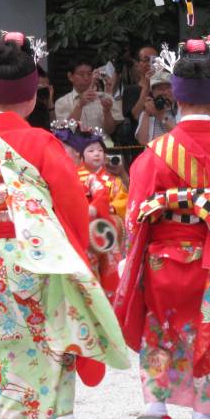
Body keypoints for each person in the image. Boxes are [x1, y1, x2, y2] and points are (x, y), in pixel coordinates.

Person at [0, 32, 128, 419]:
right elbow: (70, 204)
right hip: (39, 255)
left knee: (8, 340)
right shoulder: (40, 142)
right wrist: (80, 250)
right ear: (32, 96)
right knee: (58, 333)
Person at [115, 39, 210, 419]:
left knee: (161, 330)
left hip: (163, 258)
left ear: (175, 95)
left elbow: (135, 215)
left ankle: (156, 405)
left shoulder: (154, 154)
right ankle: (201, 418)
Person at [52, 122, 127, 300]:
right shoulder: (54, 177)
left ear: (76, 152)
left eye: (64, 148)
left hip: (93, 231)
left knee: (96, 278)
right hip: (67, 232)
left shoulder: (91, 178)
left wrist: (95, 208)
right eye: (91, 150)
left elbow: (102, 194)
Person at [54, 59, 121, 135]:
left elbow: (110, 131)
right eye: (81, 74)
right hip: (75, 146)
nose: (86, 78)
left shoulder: (105, 97)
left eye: (89, 74)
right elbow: (65, 131)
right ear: (70, 76)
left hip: (102, 144)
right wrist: (80, 105)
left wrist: (107, 112)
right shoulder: (62, 102)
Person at [134, 71, 177, 145]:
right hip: (154, 154)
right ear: (153, 93)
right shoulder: (149, 110)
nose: (165, 92)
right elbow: (142, 141)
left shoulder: (182, 110)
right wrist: (146, 113)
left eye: (167, 88)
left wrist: (161, 116)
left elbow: (181, 136)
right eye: (160, 89)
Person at [27, 65, 53, 130]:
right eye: (39, 88)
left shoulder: (44, 108)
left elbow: (53, 127)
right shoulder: (25, 108)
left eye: (45, 89)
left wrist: (50, 102)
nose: (42, 92)